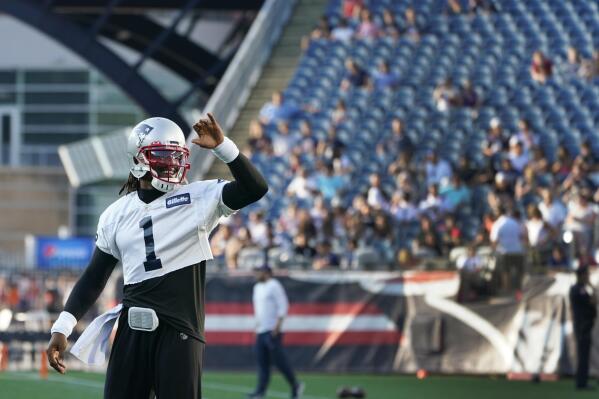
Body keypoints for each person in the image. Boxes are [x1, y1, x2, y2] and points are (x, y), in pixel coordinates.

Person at [46, 114, 268, 399]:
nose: (172, 164)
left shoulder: (199, 198)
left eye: (177, 157)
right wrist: (62, 328)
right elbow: (94, 277)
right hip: (132, 330)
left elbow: (255, 188)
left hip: (179, 332)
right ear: (139, 160)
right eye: (162, 156)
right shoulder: (116, 214)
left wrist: (222, 146)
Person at [249, 265, 304, 399]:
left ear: (267, 273)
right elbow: (260, 310)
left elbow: (283, 305)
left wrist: (278, 326)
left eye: (259, 272)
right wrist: (256, 327)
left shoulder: (274, 285)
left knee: (280, 362)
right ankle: (260, 391)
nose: (256, 274)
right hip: (261, 330)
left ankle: (295, 385)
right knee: (262, 363)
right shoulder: (257, 287)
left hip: (272, 330)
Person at [570, 267, 597, 390]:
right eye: (586, 275)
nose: (588, 277)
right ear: (581, 276)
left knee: (584, 356)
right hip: (582, 326)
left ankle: (583, 381)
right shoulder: (577, 290)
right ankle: (581, 383)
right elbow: (593, 302)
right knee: (582, 356)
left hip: (585, 326)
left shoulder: (581, 289)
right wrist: (593, 288)